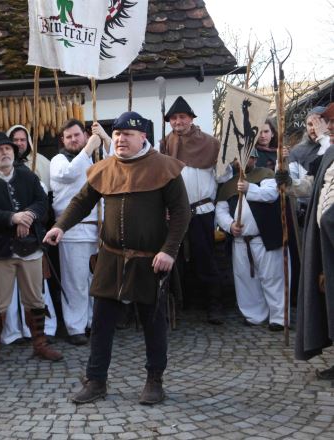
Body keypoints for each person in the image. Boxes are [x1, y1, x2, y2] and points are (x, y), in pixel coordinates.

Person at [45, 112, 190, 405]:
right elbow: (81, 201)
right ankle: (96, 380)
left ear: (143, 137)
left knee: (153, 322)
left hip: (150, 259)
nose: (121, 139)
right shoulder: (105, 167)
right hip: (110, 258)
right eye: (118, 134)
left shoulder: (164, 167)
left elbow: (181, 212)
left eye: (128, 134)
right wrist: (61, 226)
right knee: (101, 322)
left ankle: (154, 380)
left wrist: (169, 250)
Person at [0, 131, 63, 370]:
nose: (5, 153)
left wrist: (28, 216)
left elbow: (42, 203)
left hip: (30, 247)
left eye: (8, 149)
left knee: (35, 299)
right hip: (0, 249)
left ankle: (40, 343)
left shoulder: (27, 175)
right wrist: (13, 218)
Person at [276, 102, 334, 378]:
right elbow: (311, 186)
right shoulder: (327, 152)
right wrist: (287, 182)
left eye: (330, 122)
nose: (327, 127)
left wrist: (323, 139)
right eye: (326, 122)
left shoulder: (327, 147)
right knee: (329, 299)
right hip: (325, 240)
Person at [159, 96, 225, 325]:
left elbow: (222, 176)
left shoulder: (210, 143)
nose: (178, 121)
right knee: (173, 260)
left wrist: (227, 164)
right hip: (175, 213)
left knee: (205, 258)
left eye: (182, 117)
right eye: (174, 118)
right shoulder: (165, 144)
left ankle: (214, 307)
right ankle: (175, 306)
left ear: (191, 119)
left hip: (202, 211)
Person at [215, 149, 287, 330]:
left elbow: (271, 195)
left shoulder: (266, 175)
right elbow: (221, 211)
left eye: (249, 157)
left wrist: (249, 188)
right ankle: (254, 315)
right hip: (241, 241)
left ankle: (279, 317)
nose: (244, 161)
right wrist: (230, 225)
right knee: (245, 279)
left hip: (265, 239)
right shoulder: (228, 185)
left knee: (273, 277)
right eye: (240, 158)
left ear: (254, 159)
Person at [49, 119, 101, 345]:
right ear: (63, 140)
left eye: (77, 135)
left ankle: (92, 321)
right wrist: (89, 147)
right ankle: (75, 327)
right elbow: (70, 174)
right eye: (68, 136)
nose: (73, 140)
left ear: (85, 134)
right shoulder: (59, 160)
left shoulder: (93, 158)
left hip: (97, 229)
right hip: (72, 230)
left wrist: (103, 138)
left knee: (94, 281)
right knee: (76, 282)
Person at [285, 106, 331, 227]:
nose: (314, 128)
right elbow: (305, 186)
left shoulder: (329, 146)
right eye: (310, 124)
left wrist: (323, 137)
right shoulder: (298, 152)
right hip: (309, 213)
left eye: (318, 123)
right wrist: (285, 179)